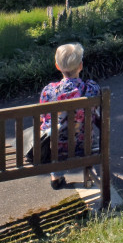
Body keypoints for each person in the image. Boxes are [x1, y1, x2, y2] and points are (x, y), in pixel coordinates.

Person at [38, 42, 100, 190]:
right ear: (81, 65)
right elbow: (96, 111)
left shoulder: (49, 92)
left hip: (56, 149)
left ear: (57, 66)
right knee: (87, 134)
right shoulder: (91, 89)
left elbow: (44, 119)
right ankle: (88, 172)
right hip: (84, 145)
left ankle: (56, 176)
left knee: (54, 137)